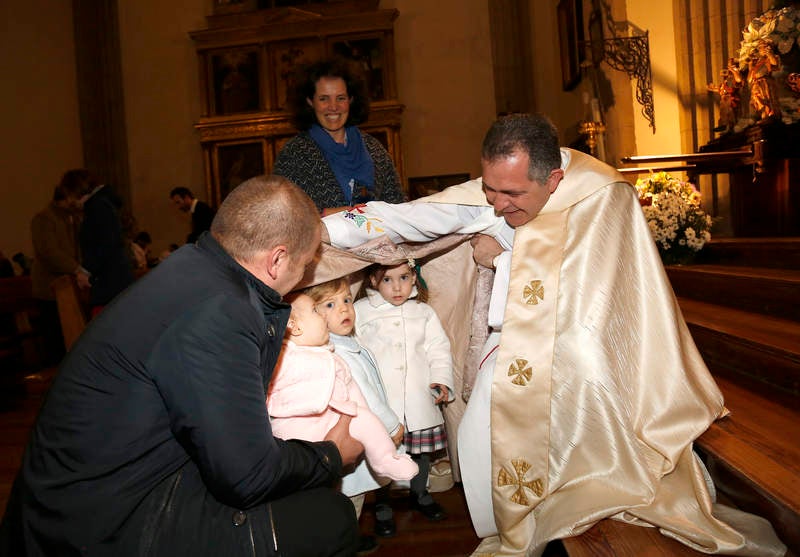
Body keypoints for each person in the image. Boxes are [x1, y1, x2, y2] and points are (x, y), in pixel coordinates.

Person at [320, 113, 787, 556]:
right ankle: (512, 522)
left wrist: (502, 258)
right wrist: (322, 226)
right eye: (490, 189)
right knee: (482, 431)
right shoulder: (502, 188)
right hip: (518, 343)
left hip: (591, 350)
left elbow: (614, 301)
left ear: (553, 181)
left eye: (512, 194)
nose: (498, 204)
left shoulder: (605, 197)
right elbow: (415, 217)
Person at [0, 175, 362, 557]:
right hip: (92, 527)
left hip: (79, 497)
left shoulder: (196, 267)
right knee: (329, 519)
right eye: (305, 265)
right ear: (276, 259)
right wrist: (330, 456)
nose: (304, 277)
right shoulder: (221, 312)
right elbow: (248, 475)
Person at [268, 293, 418, 482]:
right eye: (315, 310)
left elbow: (353, 390)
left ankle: (385, 459)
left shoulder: (334, 357)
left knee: (366, 420)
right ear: (294, 326)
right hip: (294, 426)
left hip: (334, 419)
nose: (323, 315)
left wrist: (362, 412)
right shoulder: (282, 356)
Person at [354, 261, 455, 537]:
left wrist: (441, 379)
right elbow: (355, 349)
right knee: (385, 454)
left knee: (420, 453)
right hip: (383, 401)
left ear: (414, 278)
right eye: (387, 280)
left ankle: (420, 493)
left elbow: (438, 348)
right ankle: (382, 504)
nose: (397, 287)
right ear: (373, 282)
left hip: (418, 397)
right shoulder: (361, 311)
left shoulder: (423, 312)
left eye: (403, 278)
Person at [304, 277, 404, 553]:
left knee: (345, 502)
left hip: (350, 444)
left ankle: (348, 539)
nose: (344, 309)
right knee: (350, 503)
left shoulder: (345, 342)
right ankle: (345, 544)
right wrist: (392, 425)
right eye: (330, 304)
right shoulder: (338, 353)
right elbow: (366, 394)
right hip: (353, 442)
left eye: (347, 300)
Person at [273, 58, 405, 214]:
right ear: (310, 102)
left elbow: (398, 207)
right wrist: (328, 214)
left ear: (351, 100)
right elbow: (283, 215)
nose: (333, 107)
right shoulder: (293, 154)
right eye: (324, 99)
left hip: (379, 238)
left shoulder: (374, 149)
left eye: (340, 98)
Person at [30, 177, 91, 364]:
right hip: (50, 288)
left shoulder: (72, 217)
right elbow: (48, 252)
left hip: (69, 287)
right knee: (55, 339)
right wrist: (76, 268)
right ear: (65, 196)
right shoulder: (44, 218)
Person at [77, 171, 135, 315]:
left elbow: (105, 243)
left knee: (106, 330)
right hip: (116, 279)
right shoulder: (105, 202)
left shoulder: (97, 205)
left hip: (109, 283)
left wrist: (86, 270)